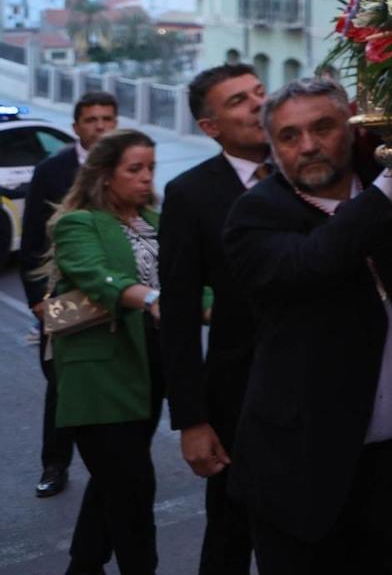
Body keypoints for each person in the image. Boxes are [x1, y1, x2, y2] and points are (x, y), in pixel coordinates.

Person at [223, 77, 392, 574]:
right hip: (302, 472)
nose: (309, 145)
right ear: (273, 150)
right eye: (290, 137)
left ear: (352, 127)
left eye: (323, 127)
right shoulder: (254, 217)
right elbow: (318, 260)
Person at [159, 63, 268, 575]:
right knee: (231, 532)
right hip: (238, 395)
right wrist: (192, 422)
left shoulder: (311, 169)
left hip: (320, 384)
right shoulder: (190, 194)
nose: (258, 105)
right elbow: (178, 317)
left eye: (260, 92)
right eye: (239, 101)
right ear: (210, 127)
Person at [41, 128, 165, 574]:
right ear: (105, 175)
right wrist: (152, 298)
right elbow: (94, 275)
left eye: (150, 167)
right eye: (134, 169)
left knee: (115, 482)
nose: (145, 177)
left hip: (147, 367)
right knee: (134, 487)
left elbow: (191, 283)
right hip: (99, 377)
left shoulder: (153, 221)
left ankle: (84, 566)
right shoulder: (80, 222)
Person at [20, 90, 119, 502]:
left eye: (107, 119)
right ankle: (55, 464)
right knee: (61, 382)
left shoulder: (126, 165)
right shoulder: (51, 169)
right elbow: (32, 240)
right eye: (91, 119)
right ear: (76, 126)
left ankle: (113, 463)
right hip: (63, 294)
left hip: (116, 293)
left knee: (113, 377)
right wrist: (38, 302)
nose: (100, 127)